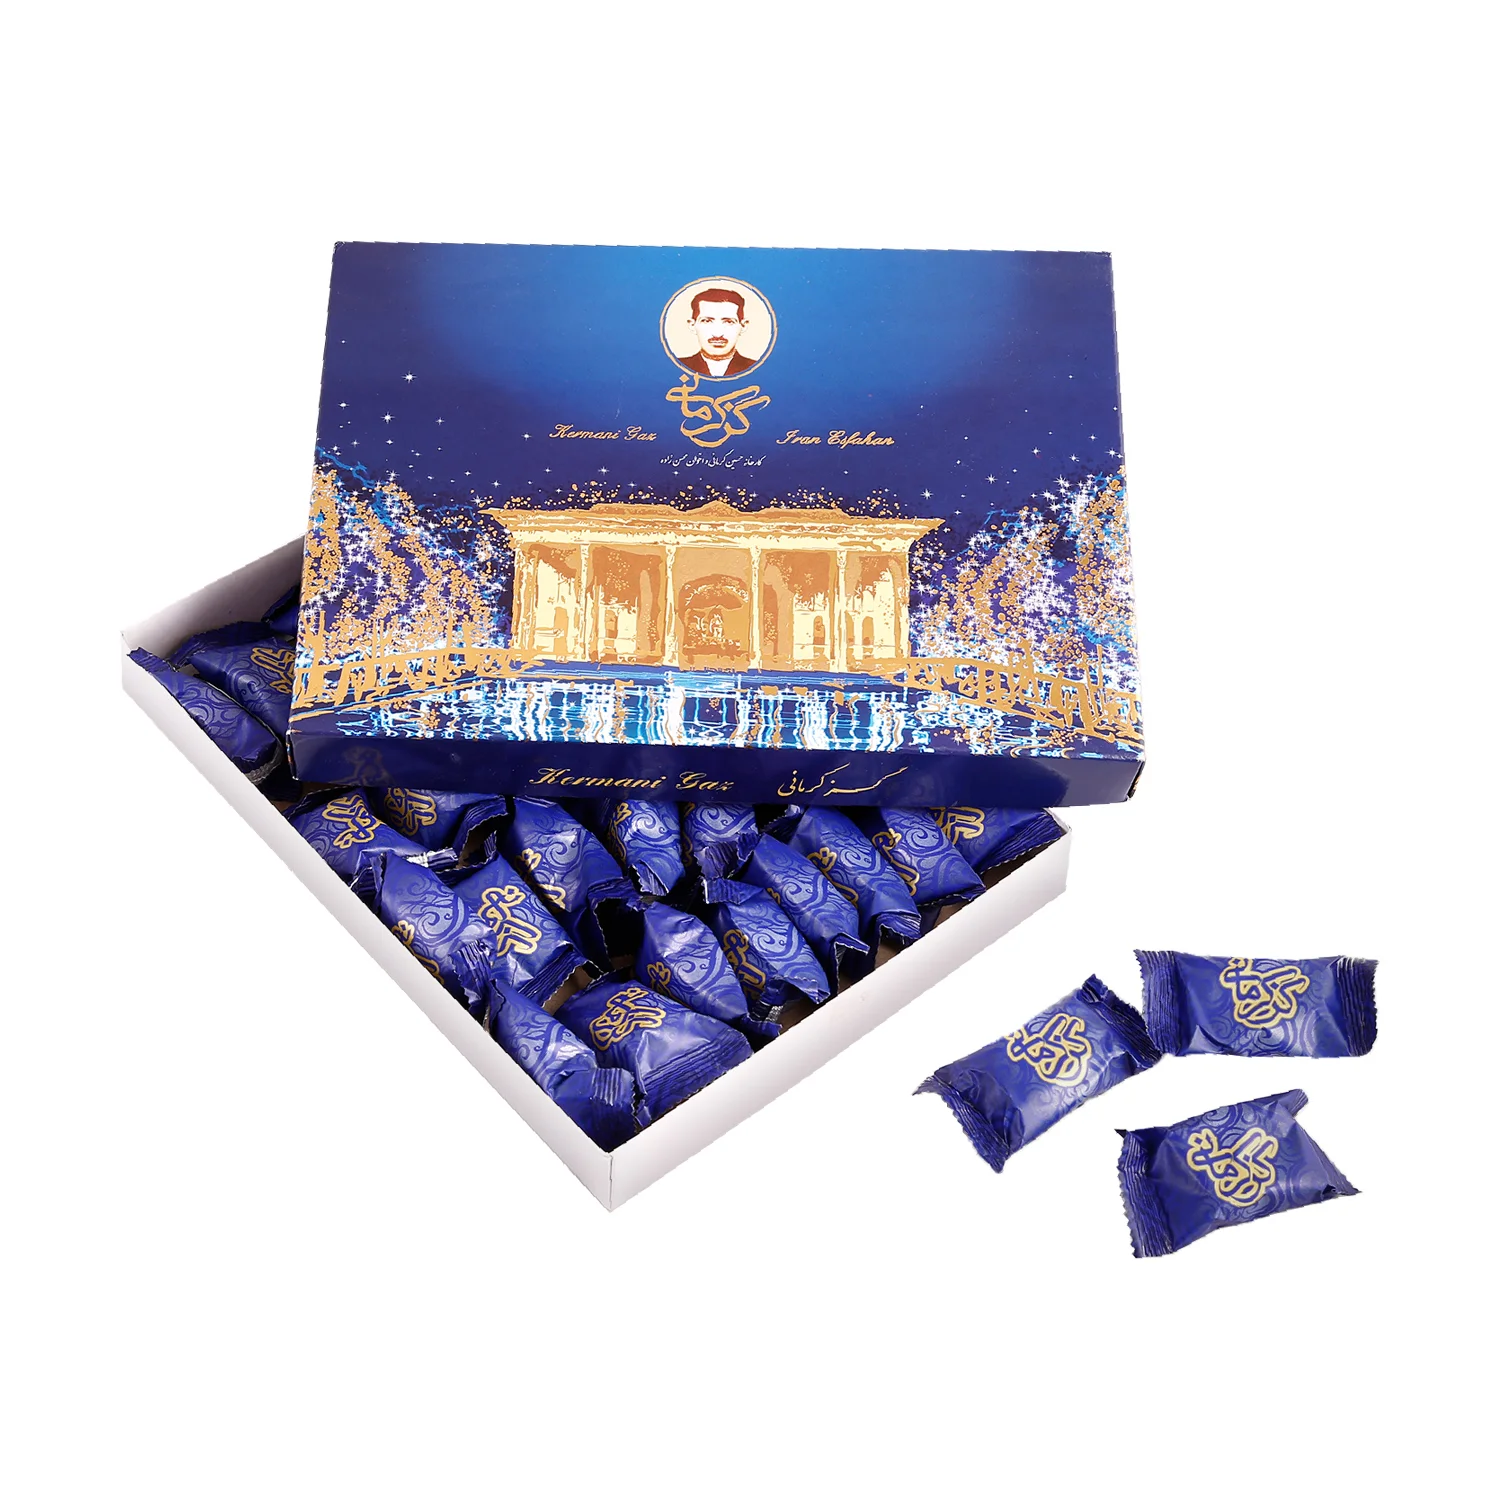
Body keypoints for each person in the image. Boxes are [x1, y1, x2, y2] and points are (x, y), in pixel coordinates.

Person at [675, 287, 759, 378]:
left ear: (743, 326)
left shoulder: (757, 369)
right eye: (707, 321)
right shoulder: (676, 367)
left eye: (729, 322)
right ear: (692, 325)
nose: (717, 334)